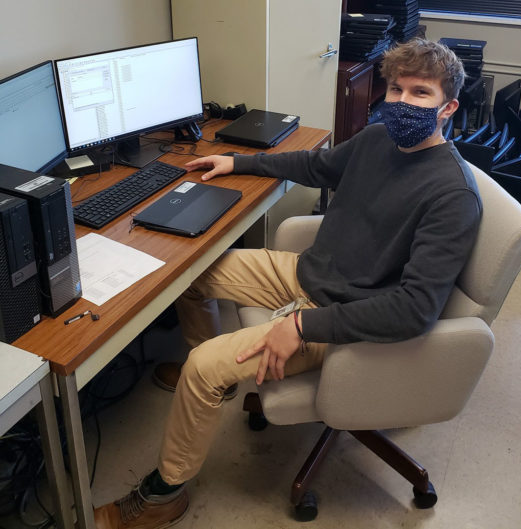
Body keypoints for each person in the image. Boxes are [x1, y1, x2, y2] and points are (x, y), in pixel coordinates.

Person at [94, 38, 482, 529]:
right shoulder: (378, 139)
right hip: (306, 272)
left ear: (448, 107)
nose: (402, 103)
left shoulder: (452, 195)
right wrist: (239, 163)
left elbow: (413, 310)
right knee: (188, 274)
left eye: (420, 94)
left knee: (202, 366)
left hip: (343, 314)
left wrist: (303, 325)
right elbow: (316, 166)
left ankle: (162, 495)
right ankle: (219, 391)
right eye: (395, 90)